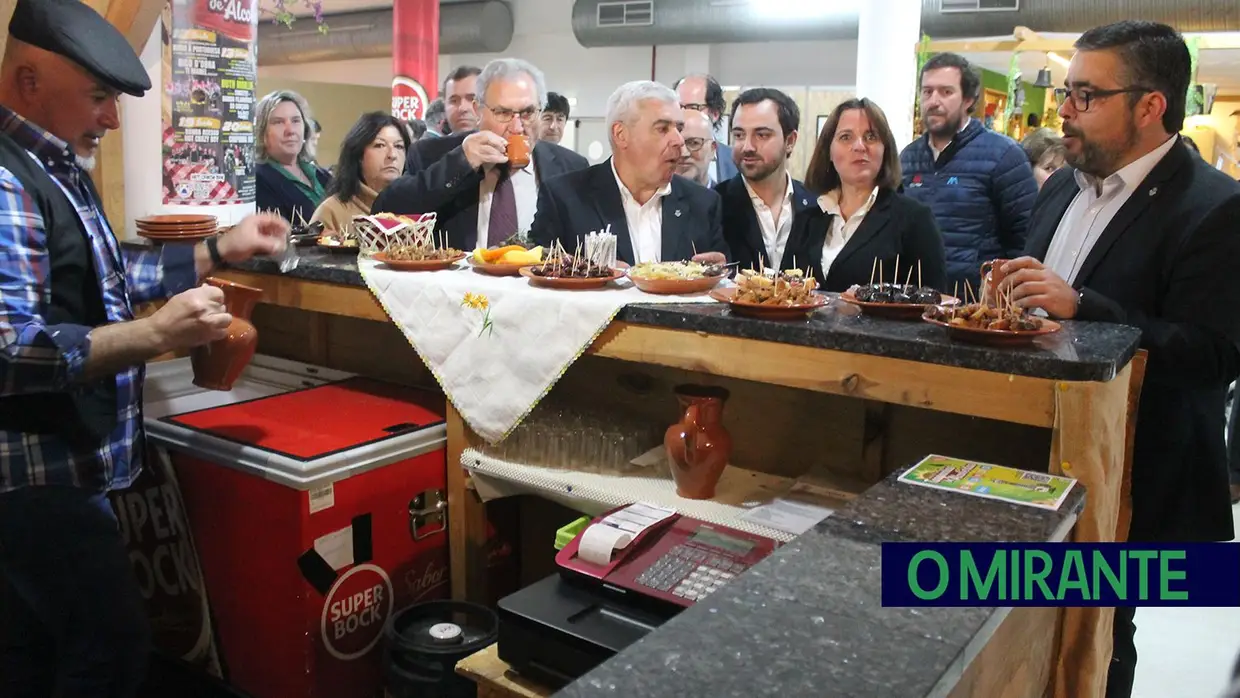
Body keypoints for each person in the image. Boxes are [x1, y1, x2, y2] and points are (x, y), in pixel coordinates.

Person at [0, 1, 289, 695]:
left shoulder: (51, 162)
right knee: (110, 653)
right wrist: (156, 335)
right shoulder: (6, 179)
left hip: (63, 473)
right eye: (99, 97)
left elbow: (113, 274)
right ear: (30, 81)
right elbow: (10, 348)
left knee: (35, 654)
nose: (111, 117)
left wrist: (220, 247)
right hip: (34, 483)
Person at [997, 21, 1240, 698]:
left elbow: (1213, 355)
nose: (1064, 113)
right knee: (1019, 625)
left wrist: (1086, 306)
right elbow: (1048, 307)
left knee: (1096, 635)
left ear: (1149, 106)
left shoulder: (1215, 209)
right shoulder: (1061, 189)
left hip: (1131, 474)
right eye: (1066, 94)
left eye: (1085, 96)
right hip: (1033, 450)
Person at [373, 58, 588, 250]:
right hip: (460, 291)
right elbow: (386, 209)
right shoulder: (433, 154)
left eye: (527, 113)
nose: (517, 127)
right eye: (503, 113)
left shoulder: (570, 166)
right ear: (478, 111)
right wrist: (461, 163)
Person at [531, 81, 728, 267]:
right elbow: (535, 276)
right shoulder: (564, 198)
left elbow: (723, 275)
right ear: (621, 135)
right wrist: (583, 273)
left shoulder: (703, 204)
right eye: (662, 128)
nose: (678, 140)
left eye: (678, 128)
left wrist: (721, 272)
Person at [900, 53, 1038, 290]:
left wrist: (1002, 298)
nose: (933, 101)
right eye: (927, 92)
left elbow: (1027, 237)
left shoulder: (1004, 155)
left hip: (975, 309)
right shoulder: (907, 158)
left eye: (946, 92)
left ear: (968, 100)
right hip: (914, 302)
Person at [785, 98, 946, 292]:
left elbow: (934, 305)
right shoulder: (806, 219)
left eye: (870, 137)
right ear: (828, 150)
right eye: (846, 137)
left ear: (885, 149)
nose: (859, 146)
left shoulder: (915, 220)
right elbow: (785, 295)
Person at [716, 87, 814, 272]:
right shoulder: (713, 206)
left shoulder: (817, 207)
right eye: (739, 135)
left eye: (762, 135)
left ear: (790, 141)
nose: (747, 146)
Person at [311, 112, 409, 235]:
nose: (392, 155)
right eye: (380, 145)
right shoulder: (331, 212)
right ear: (358, 155)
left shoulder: (416, 209)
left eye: (399, 146)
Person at [254, 90, 329, 224]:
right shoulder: (257, 180)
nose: (290, 130)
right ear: (262, 132)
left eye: (295, 121)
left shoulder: (323, 175)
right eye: (278, 122)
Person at [674, 73, 739, 185]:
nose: (683, 114)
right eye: (678, 107)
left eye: (693, 107)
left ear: (715, 113)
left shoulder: (736, 163)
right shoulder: (659, 157)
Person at [675, 109, 715, 186]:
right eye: (676, 144)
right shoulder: (654, 197)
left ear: (712, 149)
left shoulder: (725, 197)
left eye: (694, 143)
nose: (683, 153)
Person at [443, 65, 482, 135]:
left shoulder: (505, 144)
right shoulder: (430, 145)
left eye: (472, 99)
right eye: (454, 101)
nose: (462, 108)